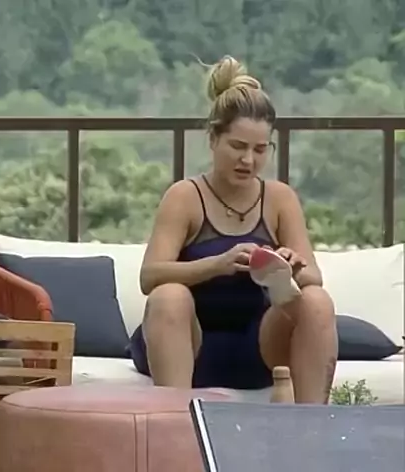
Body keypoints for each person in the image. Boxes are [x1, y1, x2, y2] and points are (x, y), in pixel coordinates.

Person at [129, 55, 337, 404]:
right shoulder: (185, 196)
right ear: (213, 139)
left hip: (259, 347)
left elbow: (313, 277)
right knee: (169, 295)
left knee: (316, 300)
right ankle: (174, 423)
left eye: (260, 150)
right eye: (238, 146)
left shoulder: (279, 198)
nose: (248, 160)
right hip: (187, 342)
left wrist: (291, 268)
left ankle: (313, 425)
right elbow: (150, 277)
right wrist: (219, 264)